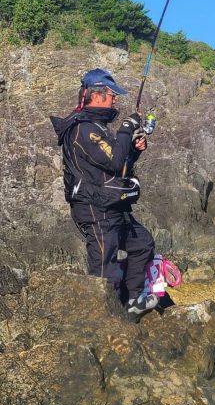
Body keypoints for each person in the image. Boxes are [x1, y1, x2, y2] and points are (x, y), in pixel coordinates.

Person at [50, 68, 156, 319]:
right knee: (105, 270)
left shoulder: (97, 127)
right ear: (96, 96)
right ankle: (102, 323)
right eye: (111, 94)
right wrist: (127, 127)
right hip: (94, 209)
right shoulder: (83, 130)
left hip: (112, 205)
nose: (115, 100)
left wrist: (135, 150)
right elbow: (115, 162)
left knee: (142, 243)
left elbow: (120, 166)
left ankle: (132, 302)